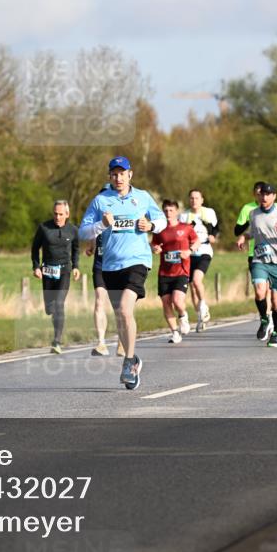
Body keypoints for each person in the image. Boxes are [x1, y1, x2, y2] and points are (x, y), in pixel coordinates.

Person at [80, 156, 166, 390]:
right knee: (120, 316)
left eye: (123, 173)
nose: (119, 178)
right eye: (114, 174)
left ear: (131, 174)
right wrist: (102, 226)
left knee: (126, 311)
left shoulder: (143, 197)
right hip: (110, 266)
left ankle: (128, 362)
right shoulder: (100, 201)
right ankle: (134, 358)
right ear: (109, 176)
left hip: (137, 262)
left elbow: (162, 219)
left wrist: (151, 226)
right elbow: (83, 231)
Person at [235, 182, 277, 337]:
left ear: (274, 196)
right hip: (259, 260)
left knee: (276, 301)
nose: (264, 197)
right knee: (260, 292)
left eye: (267, 194)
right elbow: (252, 232)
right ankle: (264, 319)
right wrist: (243, 237)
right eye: (261, 194)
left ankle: (276, 333)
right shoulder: (253, 213)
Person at [32, 200, 81, 354]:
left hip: (64, 271)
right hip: (47, 271)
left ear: (67, 214)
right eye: (55, 214)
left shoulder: (73, 230)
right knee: (49, 308)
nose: (57, 217)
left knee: (59, 304)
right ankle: (54, 320)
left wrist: (76, 267)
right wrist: (36, 267)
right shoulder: (44, 228)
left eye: (61, 214)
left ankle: (57, 341)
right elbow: (34, 249)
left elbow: (76, 249)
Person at [152, 200, 200, 344]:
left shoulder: (186, 228)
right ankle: (174, 332)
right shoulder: (160, 230)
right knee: (166, 303)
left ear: (177, 211)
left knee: (177, 301)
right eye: (165, 210)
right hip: (164, 272)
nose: (168, 213)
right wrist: (155, 248)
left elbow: (196, 242)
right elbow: (154, 243)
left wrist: (189, 251)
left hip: (181, 271)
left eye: (171, 210)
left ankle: (183, 315)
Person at [179, 189, 218, 332]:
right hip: (189, 254)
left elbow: (215, 228)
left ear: (202, 200)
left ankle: (203, 306)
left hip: (204, 251)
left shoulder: (209, 212)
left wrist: (214, 236)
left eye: (197, 198)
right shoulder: (183, 216)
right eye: (191, 198)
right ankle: (200, 317)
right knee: (192, 289)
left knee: (197, 280)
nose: (194, 201)